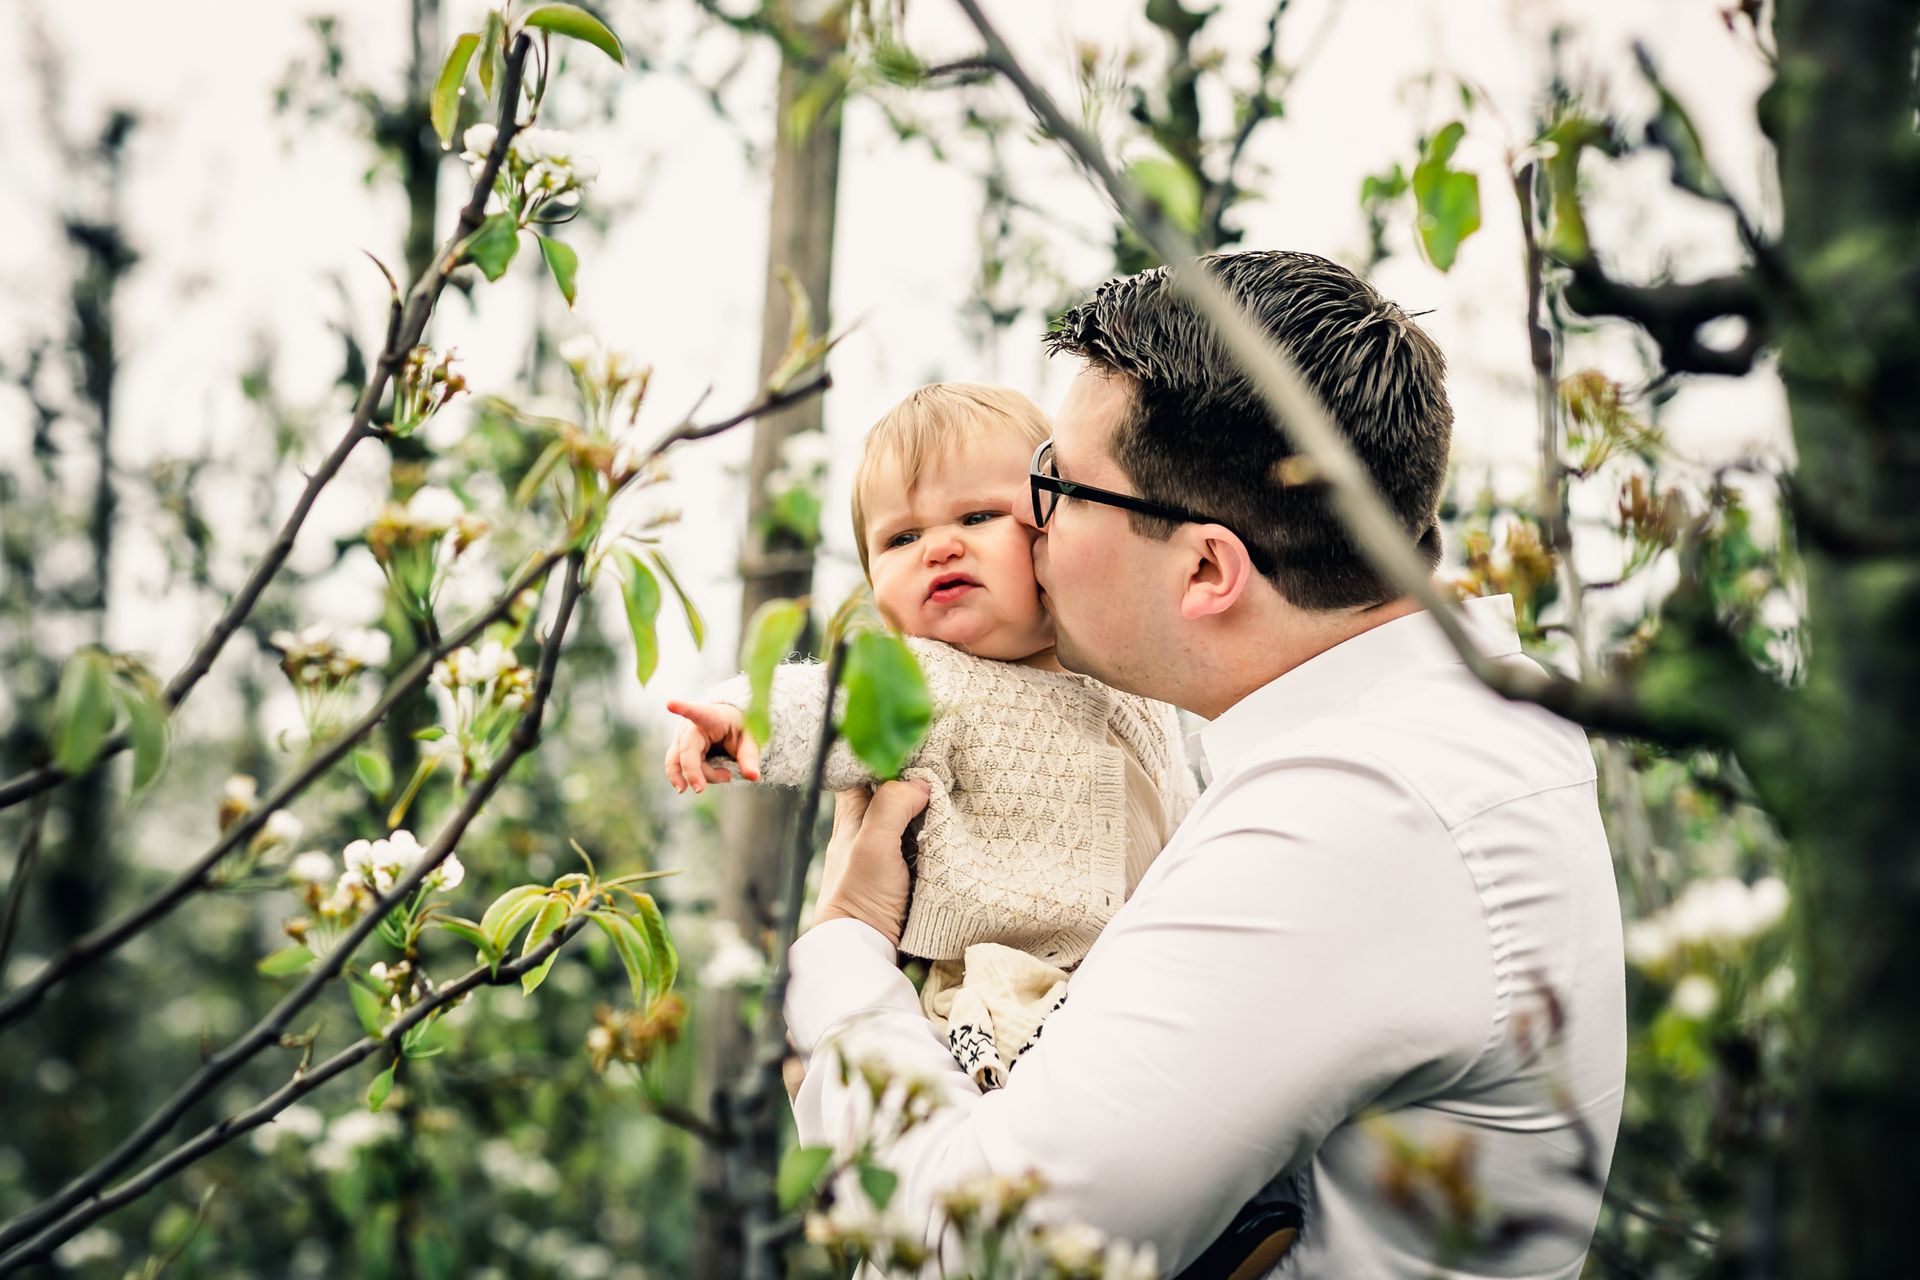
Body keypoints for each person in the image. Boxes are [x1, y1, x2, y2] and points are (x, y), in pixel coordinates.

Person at [786, 252, 1627, 1278]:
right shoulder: (1466, 715)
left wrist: (844, 952)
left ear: (1206, 569)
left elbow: (977, 1248)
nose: (1028, 522)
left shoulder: (1351, 818)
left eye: (1055, 483)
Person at [665, 382, 1196, 1089]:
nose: (939, 549)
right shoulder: (927, 681)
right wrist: (745, 713)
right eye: (901, 538)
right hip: (1014, 990)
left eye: (977, 516)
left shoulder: (1128, 662)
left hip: (1160, 969)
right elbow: (827, 702)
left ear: (1052, 527)